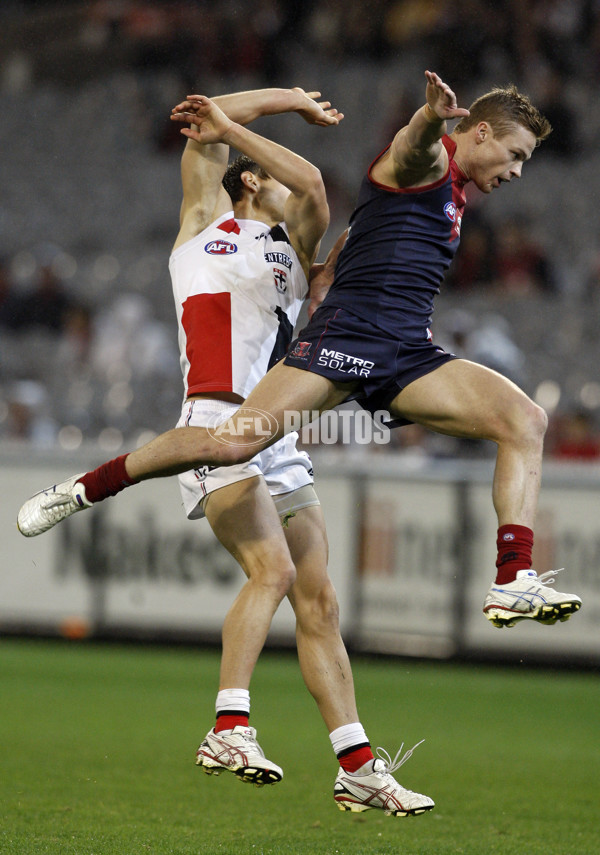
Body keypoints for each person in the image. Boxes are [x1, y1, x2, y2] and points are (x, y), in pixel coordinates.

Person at [18, 70, 582, 633]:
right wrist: (429, 116)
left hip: (409, 351)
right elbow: (412, 144)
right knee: (231, 445)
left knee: (525, 419)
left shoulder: (407, 209)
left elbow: (333, 209)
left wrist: (326, 268)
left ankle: (512, 579)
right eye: (515, 154)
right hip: (345, 339)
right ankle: (85, 488)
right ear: (479, 132)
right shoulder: (429, 164)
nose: (517, 171)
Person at [19, 85, 434, 817]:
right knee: (269, 570)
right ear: (246, 178)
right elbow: (205, 121)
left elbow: (306, 181)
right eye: (261, 168)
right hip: (213, 417)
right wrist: (269, 105)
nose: (286, 178)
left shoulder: (299, 248)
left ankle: (358, 764)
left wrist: (275, 117)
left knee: (321, 600)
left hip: (277, 435)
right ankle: (229, 724)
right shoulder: (200, 225)